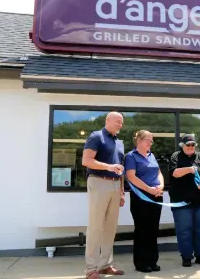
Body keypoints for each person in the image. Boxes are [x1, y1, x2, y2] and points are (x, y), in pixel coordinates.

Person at [82, 112, 126, 279]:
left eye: (122, 122)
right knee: (95, 227)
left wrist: (121, 192)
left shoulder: (119, 142)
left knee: (110, 228)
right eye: (117, 121)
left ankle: (105, 265)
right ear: (107, 120)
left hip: (116, 185)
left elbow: (120, 169)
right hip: (98, 181)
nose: (120, 124)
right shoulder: (96, 136)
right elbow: (86, 160)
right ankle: (91, 269)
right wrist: (108, 167)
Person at [168, 134, 200, 267]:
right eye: (188, 145)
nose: (190, 147)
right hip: (181, 200)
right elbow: (174, 173)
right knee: (184, 230)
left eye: (193, 145)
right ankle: (186, 257)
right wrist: (189, 169)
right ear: (182, 145)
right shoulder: (175, 156)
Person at [125, 130, 164, 273]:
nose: (150, 143)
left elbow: (159, 172)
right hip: (141, 197)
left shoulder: (151, 155)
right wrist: (149, 189)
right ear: (139, 141)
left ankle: (152, 261)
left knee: (153, 230)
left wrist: (160, 185)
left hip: (156, 196)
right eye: (148, 140)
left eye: (151, 140)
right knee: (142, 230)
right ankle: (141, 263)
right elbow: (131, 177)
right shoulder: (130, 156)